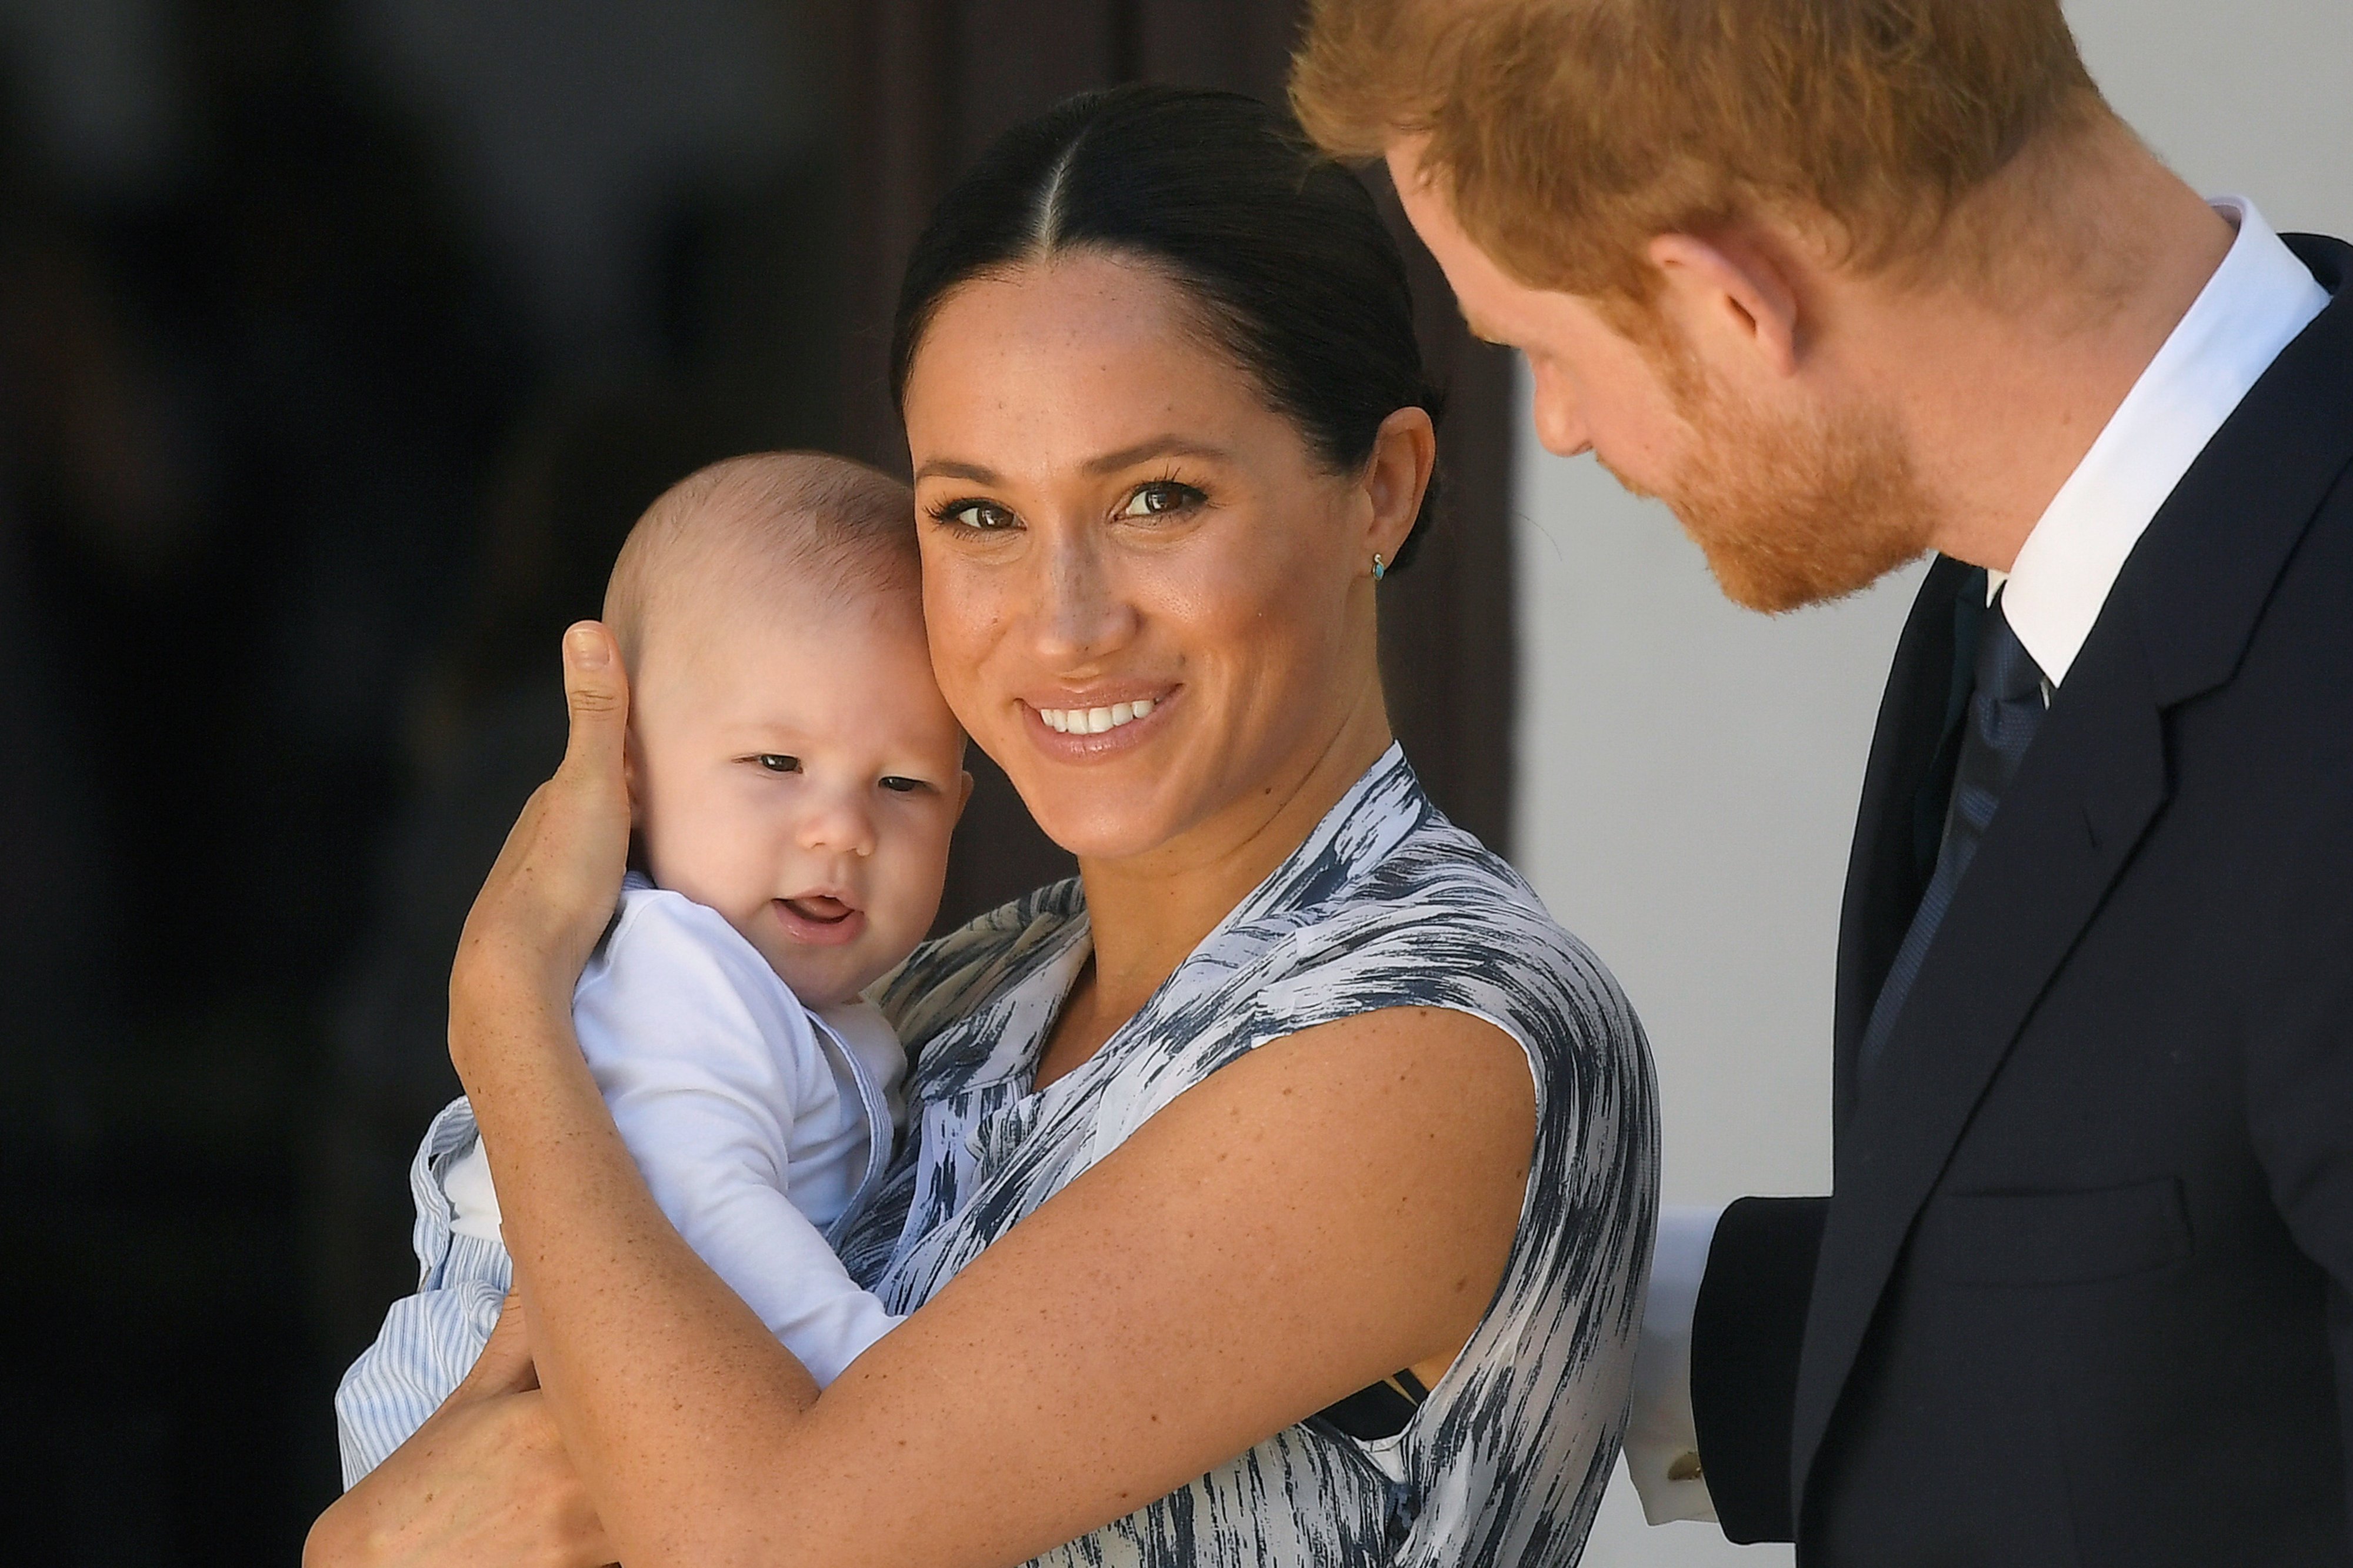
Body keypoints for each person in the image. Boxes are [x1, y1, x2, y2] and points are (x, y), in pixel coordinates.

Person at [304, 85, 1658, 1568]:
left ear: (1379, 490)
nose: (1063, 625)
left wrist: (507, 1005)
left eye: (1155, 497)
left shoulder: (1437, 1032)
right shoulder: (953, 998)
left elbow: (764, 1539)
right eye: (977, 516)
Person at [1293, 1, 2353, 1563]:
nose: (1567, 431)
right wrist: (1497, 1284)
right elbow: (2164, 1327)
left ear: (1729, 301)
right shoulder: (2049, 568)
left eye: (1538, 351)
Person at [331, 451, 964, 1482]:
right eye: (777, 763)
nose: (843, 828)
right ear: (627, 772)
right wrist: (877, 1381)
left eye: (904, 784)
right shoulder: (681, 971)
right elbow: (708, 1211)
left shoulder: (827, 1001)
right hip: (505, 1403)